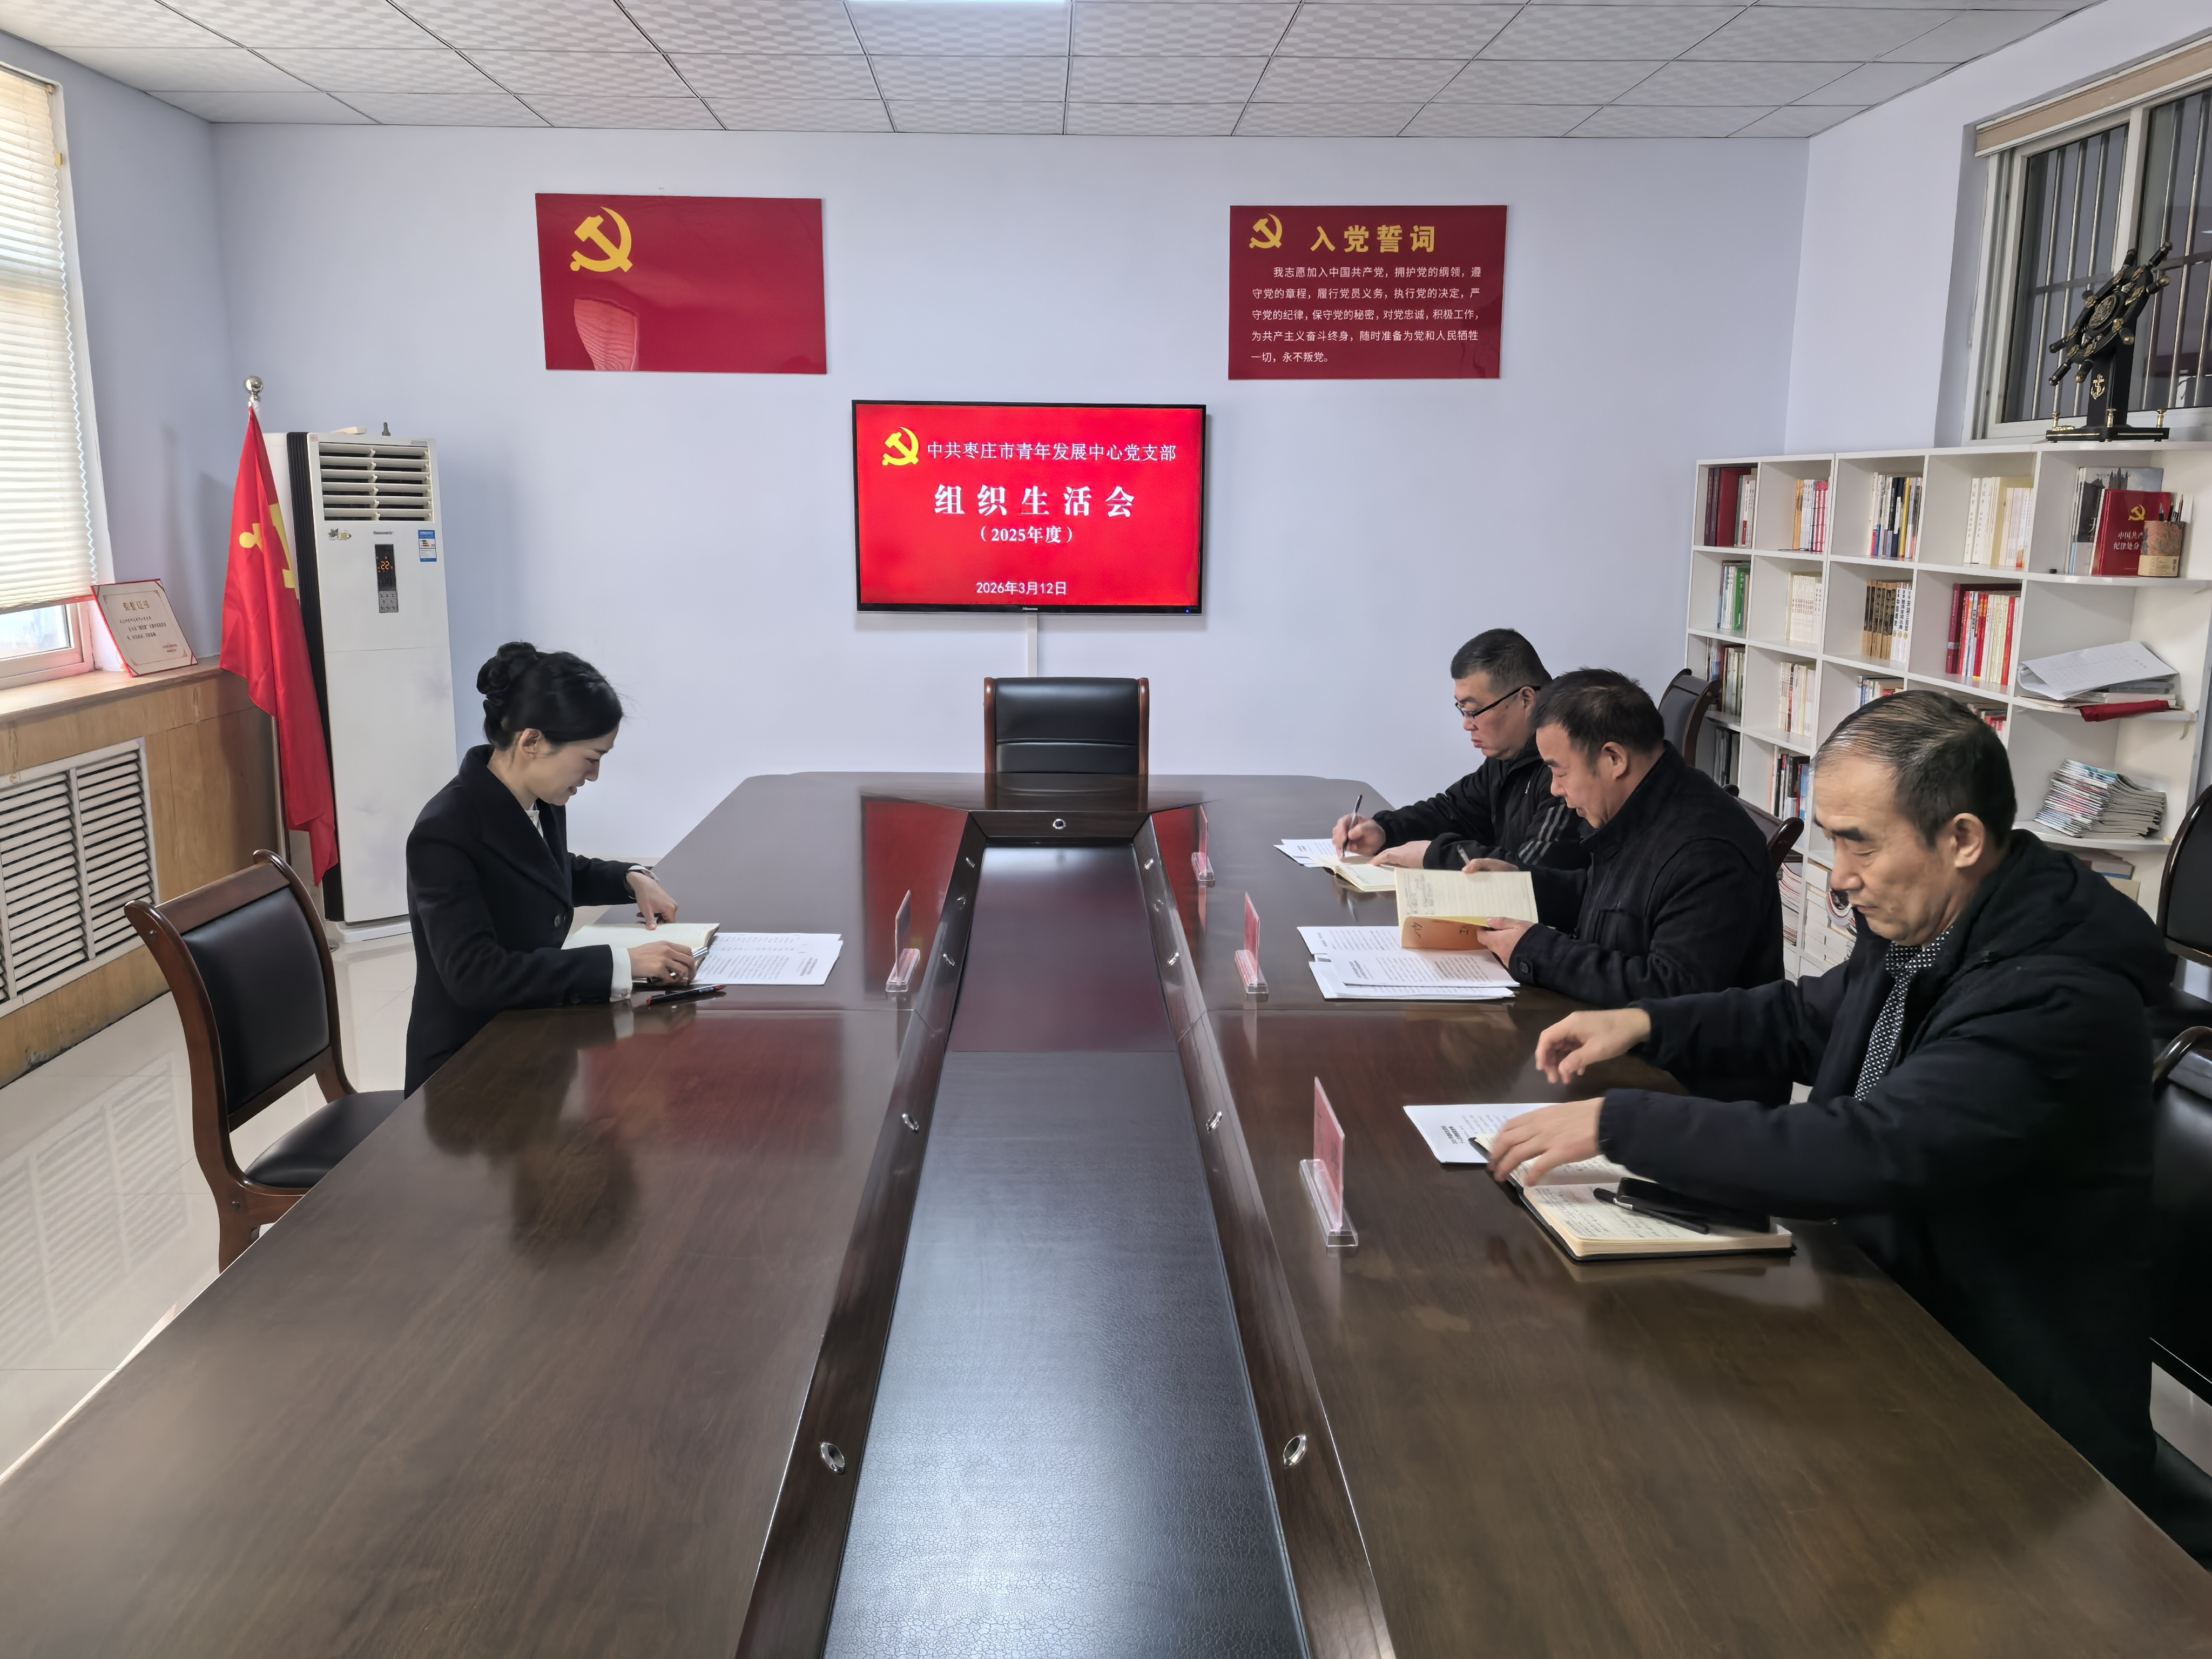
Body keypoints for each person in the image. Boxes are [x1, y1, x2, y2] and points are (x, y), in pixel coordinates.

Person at [1486, 691, 2168, 1501]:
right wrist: (1645, 1021)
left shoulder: (2056, 996)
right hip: (1887, 1314)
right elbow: (1809, 1016)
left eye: (1859, 843)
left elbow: (1872, 1148)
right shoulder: (1934, 922)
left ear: (1961, 839)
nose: (1839, 878)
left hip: (2013, 1407)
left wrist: (1620, 1121)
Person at [1475, 668, 1783, 1099]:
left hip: (1691, 1094)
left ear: (1614, 760)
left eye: (1560, 772)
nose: (1556, 790)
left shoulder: (1707, 850)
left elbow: (1669, 994)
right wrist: (1521, 887)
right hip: (1624, 1057)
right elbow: (1612, 902)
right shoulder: (1642, 806)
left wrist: (1538, 951)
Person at [404, 643, 692, 1095]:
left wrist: (629, 877)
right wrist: (620, 964)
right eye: (591, 759)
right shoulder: (444, 831)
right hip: (467, 1074)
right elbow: (476, 976)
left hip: (530, 1037)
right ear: (532, 742)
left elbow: (543, 872)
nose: (594, 777)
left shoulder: (538, 798)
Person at [1331, 629, 1587, 873]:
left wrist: (1436, 855)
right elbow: (1454, 812)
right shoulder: (1508, 755)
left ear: (1526, 699)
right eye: (1462, 710)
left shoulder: (1566, 764)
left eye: (1474, 711)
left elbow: (1533, 872)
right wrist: (1385, 830)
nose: (1467, 724)